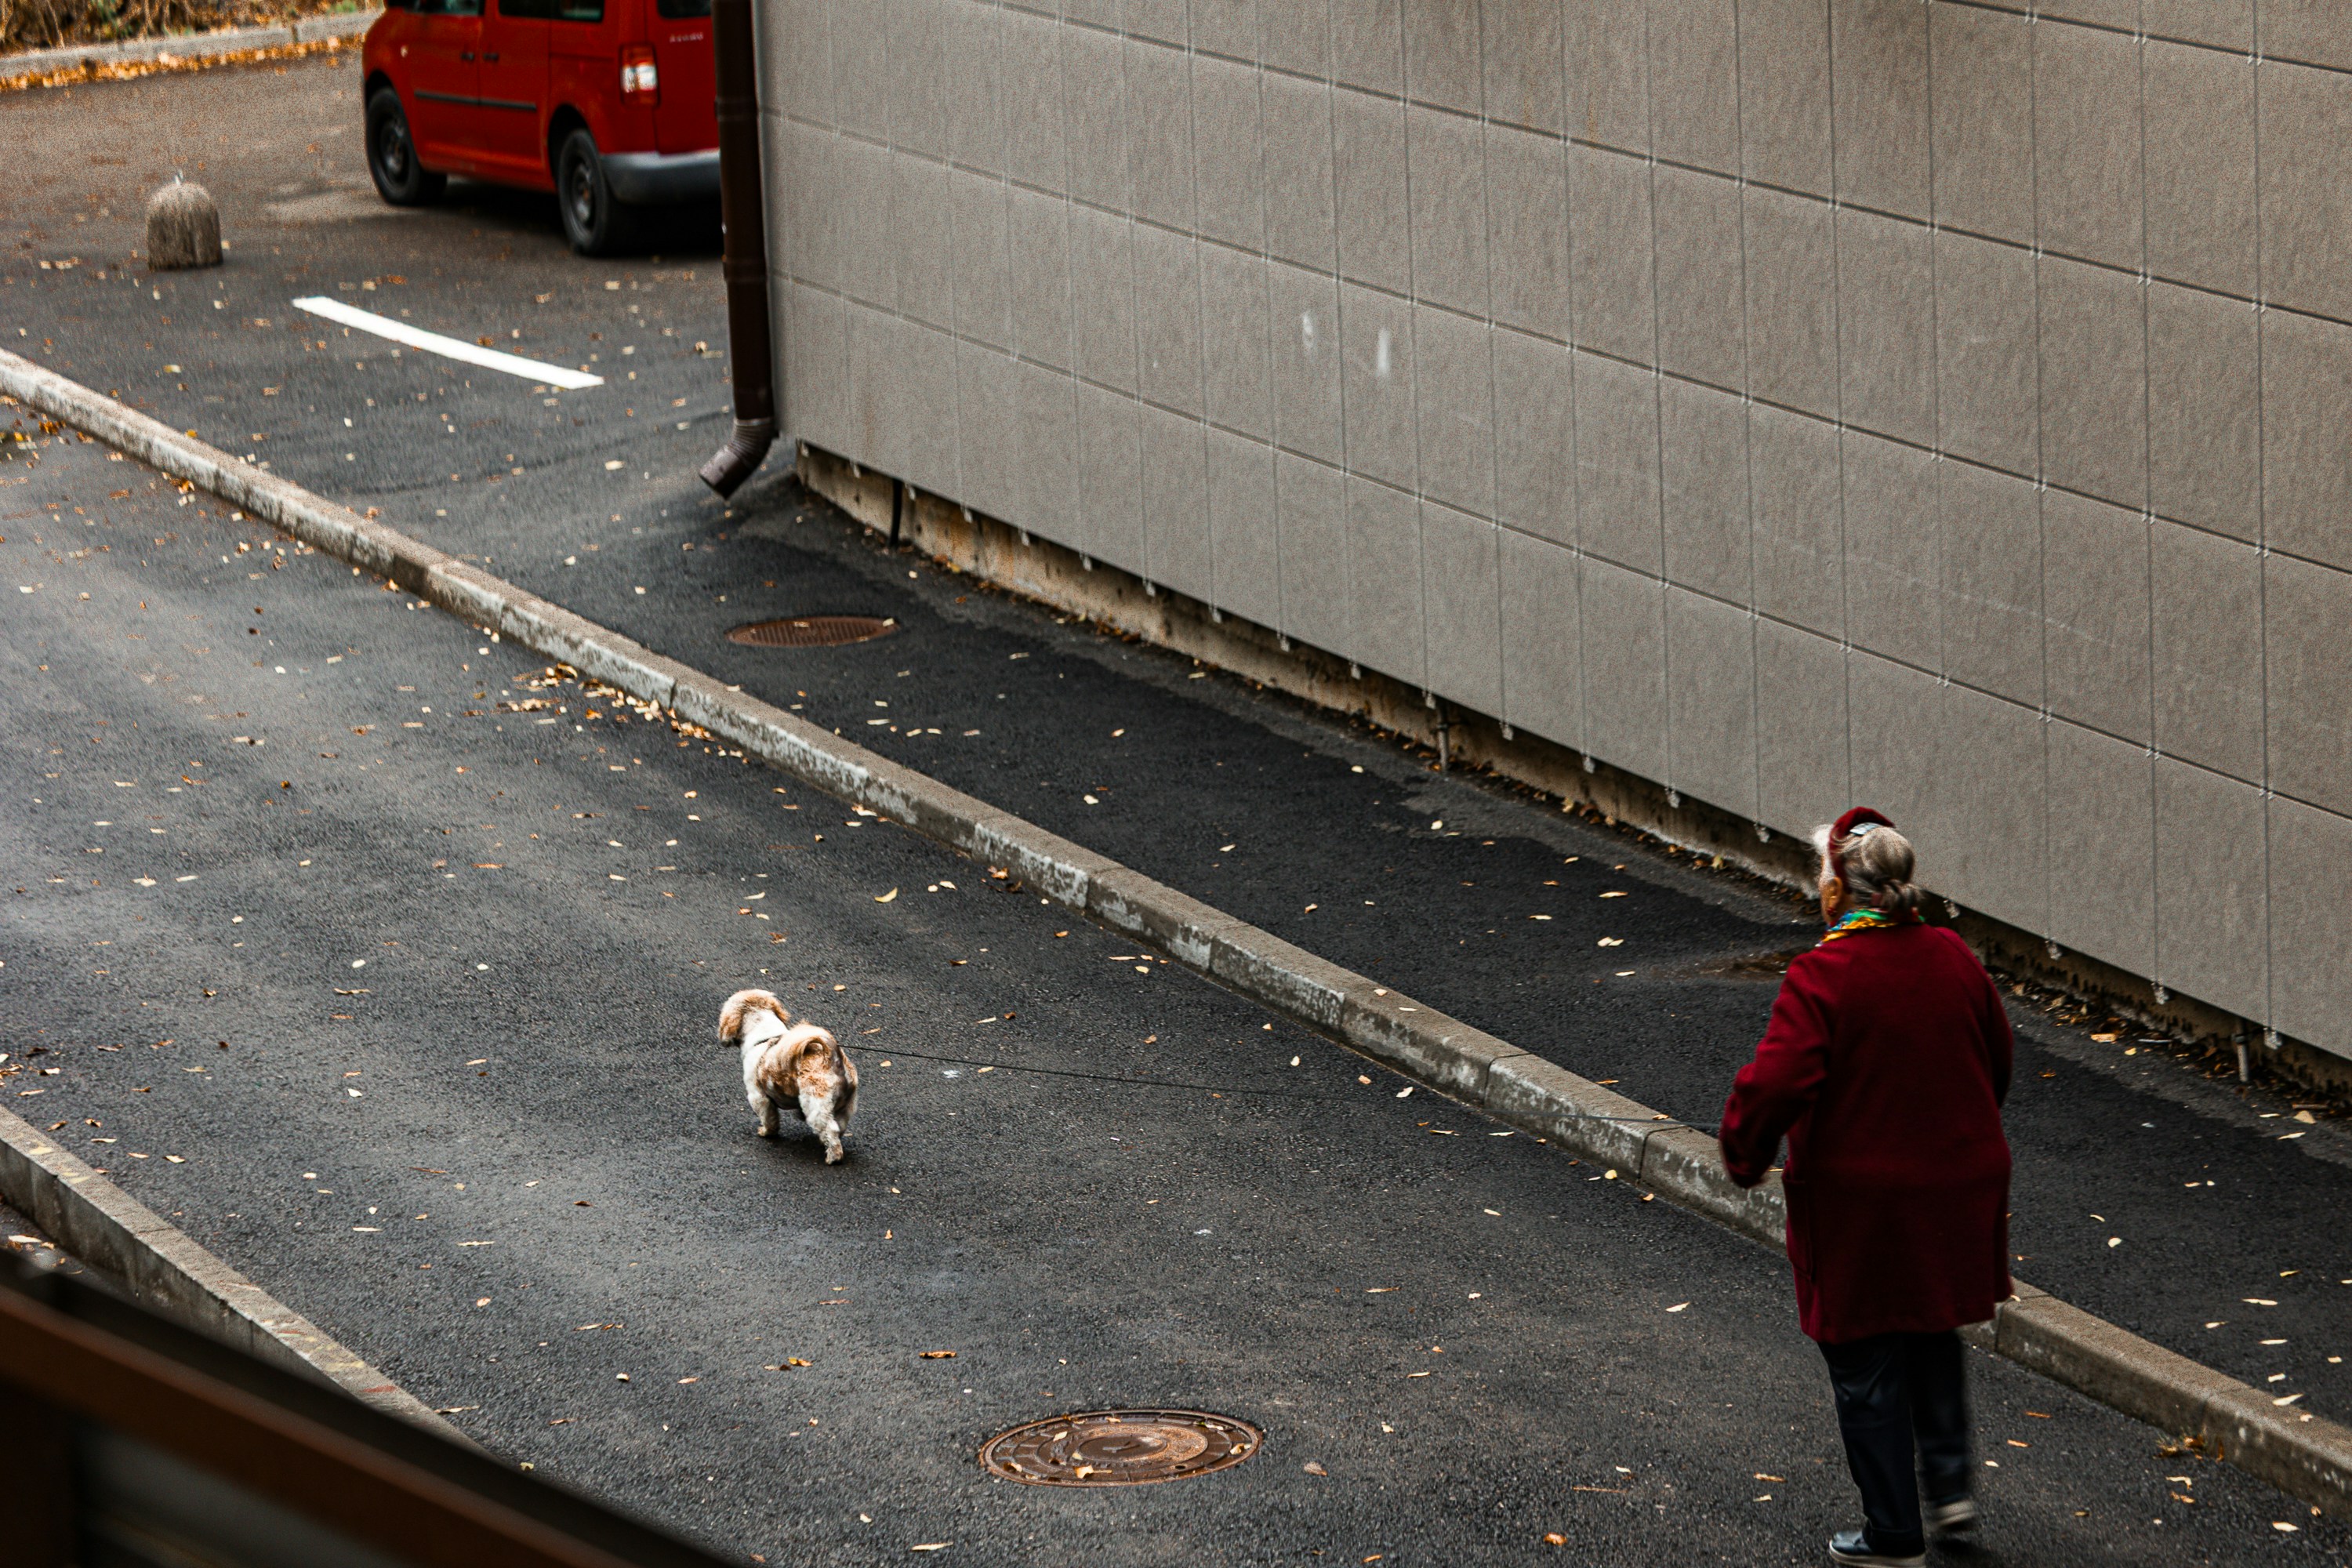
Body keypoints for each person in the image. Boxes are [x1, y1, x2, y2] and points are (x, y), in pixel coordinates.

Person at [1718, 808, 2015, 1568]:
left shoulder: (1825, 973)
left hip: (1863, 1202)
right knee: (1931, 1328)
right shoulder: (1952, 956)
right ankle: (1951, 1499)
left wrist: (1743, 1154)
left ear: (1840, 888)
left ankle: (1892, 1532)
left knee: (1864, 1356)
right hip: (1955, 1184)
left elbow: (1776, 1080)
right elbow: (1997, 1057)